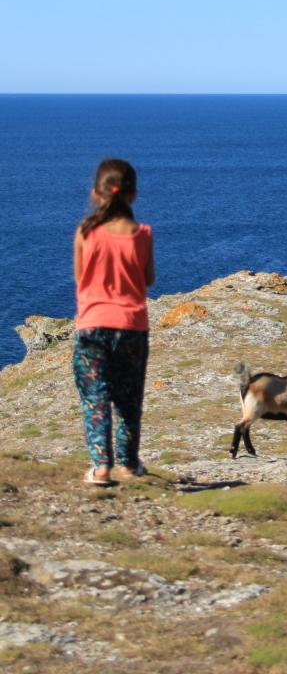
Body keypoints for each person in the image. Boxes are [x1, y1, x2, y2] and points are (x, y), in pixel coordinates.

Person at [73, 159, 155, 485]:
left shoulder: (86, 232)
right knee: (128, 397)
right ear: (133, 195)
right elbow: (148, 278)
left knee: (95, 396)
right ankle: (129, 462)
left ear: (96, 193)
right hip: (132, 325)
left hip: (92, 324)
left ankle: (101, 465)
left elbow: (81, 280)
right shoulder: (143, 234)